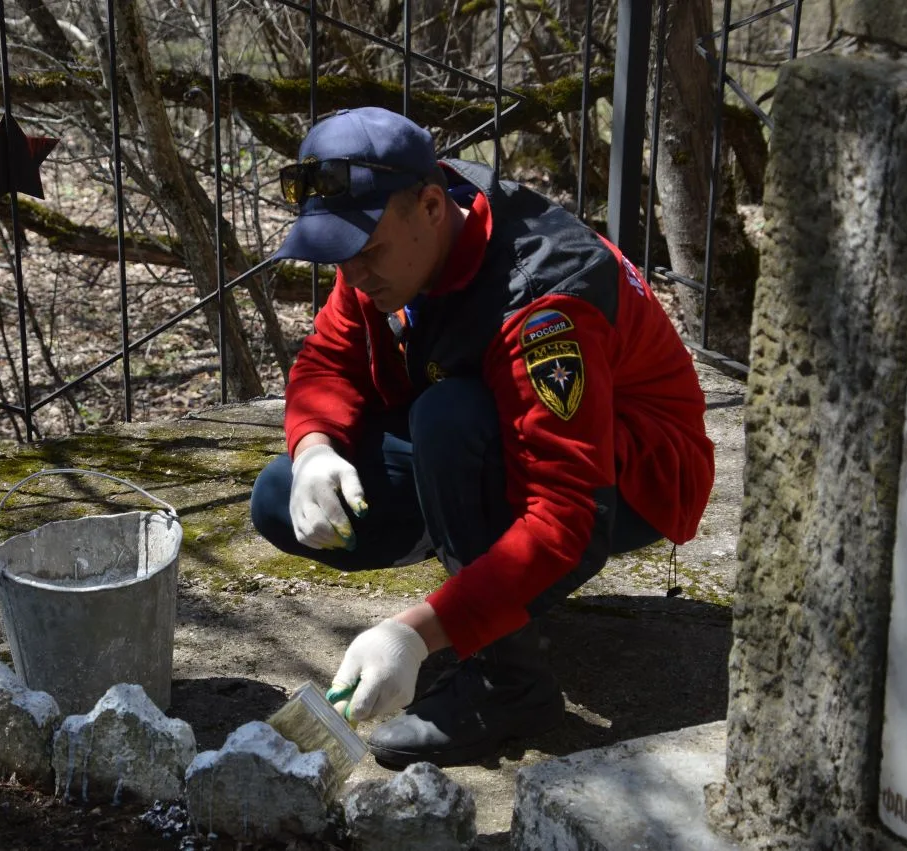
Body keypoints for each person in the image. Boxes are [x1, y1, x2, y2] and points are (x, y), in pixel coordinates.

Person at [249, 106, 715, 768]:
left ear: (432, 205)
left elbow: (567, 521)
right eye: (339, 256)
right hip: (504, 430)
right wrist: (315, 450)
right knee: (279, 495)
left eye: (366, 253)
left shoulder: (544, 302)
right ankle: (484, 578)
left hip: (633, 474)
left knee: (448, 418)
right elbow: (330, 359)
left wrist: (413, 635)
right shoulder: (390, 244)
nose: (353, 277)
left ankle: (508, 683)